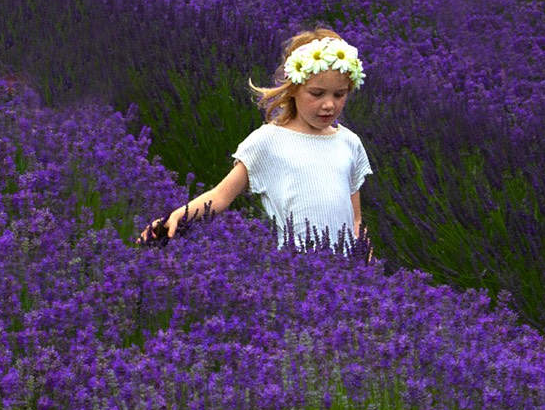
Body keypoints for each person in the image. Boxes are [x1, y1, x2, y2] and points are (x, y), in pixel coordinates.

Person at [138, 28, 374, 258]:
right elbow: (221, 195)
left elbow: (355, 218)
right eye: (317, 94)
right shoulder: (268, 141)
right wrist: (179, 215)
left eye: (339, 95)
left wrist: (367, 261)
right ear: (293, 88)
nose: (329, 105)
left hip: (346, 272)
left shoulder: (348, 143)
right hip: (298, 269)